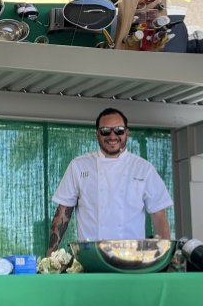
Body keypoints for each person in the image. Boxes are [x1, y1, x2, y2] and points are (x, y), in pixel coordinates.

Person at [46, 108, 172, 256]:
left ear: (127, 132)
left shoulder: (144, 169)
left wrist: (165, 259)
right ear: (97, 134)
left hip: (133, 260)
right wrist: (49, 257)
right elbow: (63, 213)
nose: (113, 136)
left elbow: (159, 216)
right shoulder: (79, 166)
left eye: (119, 130)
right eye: (105, 131)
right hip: (91, 259)